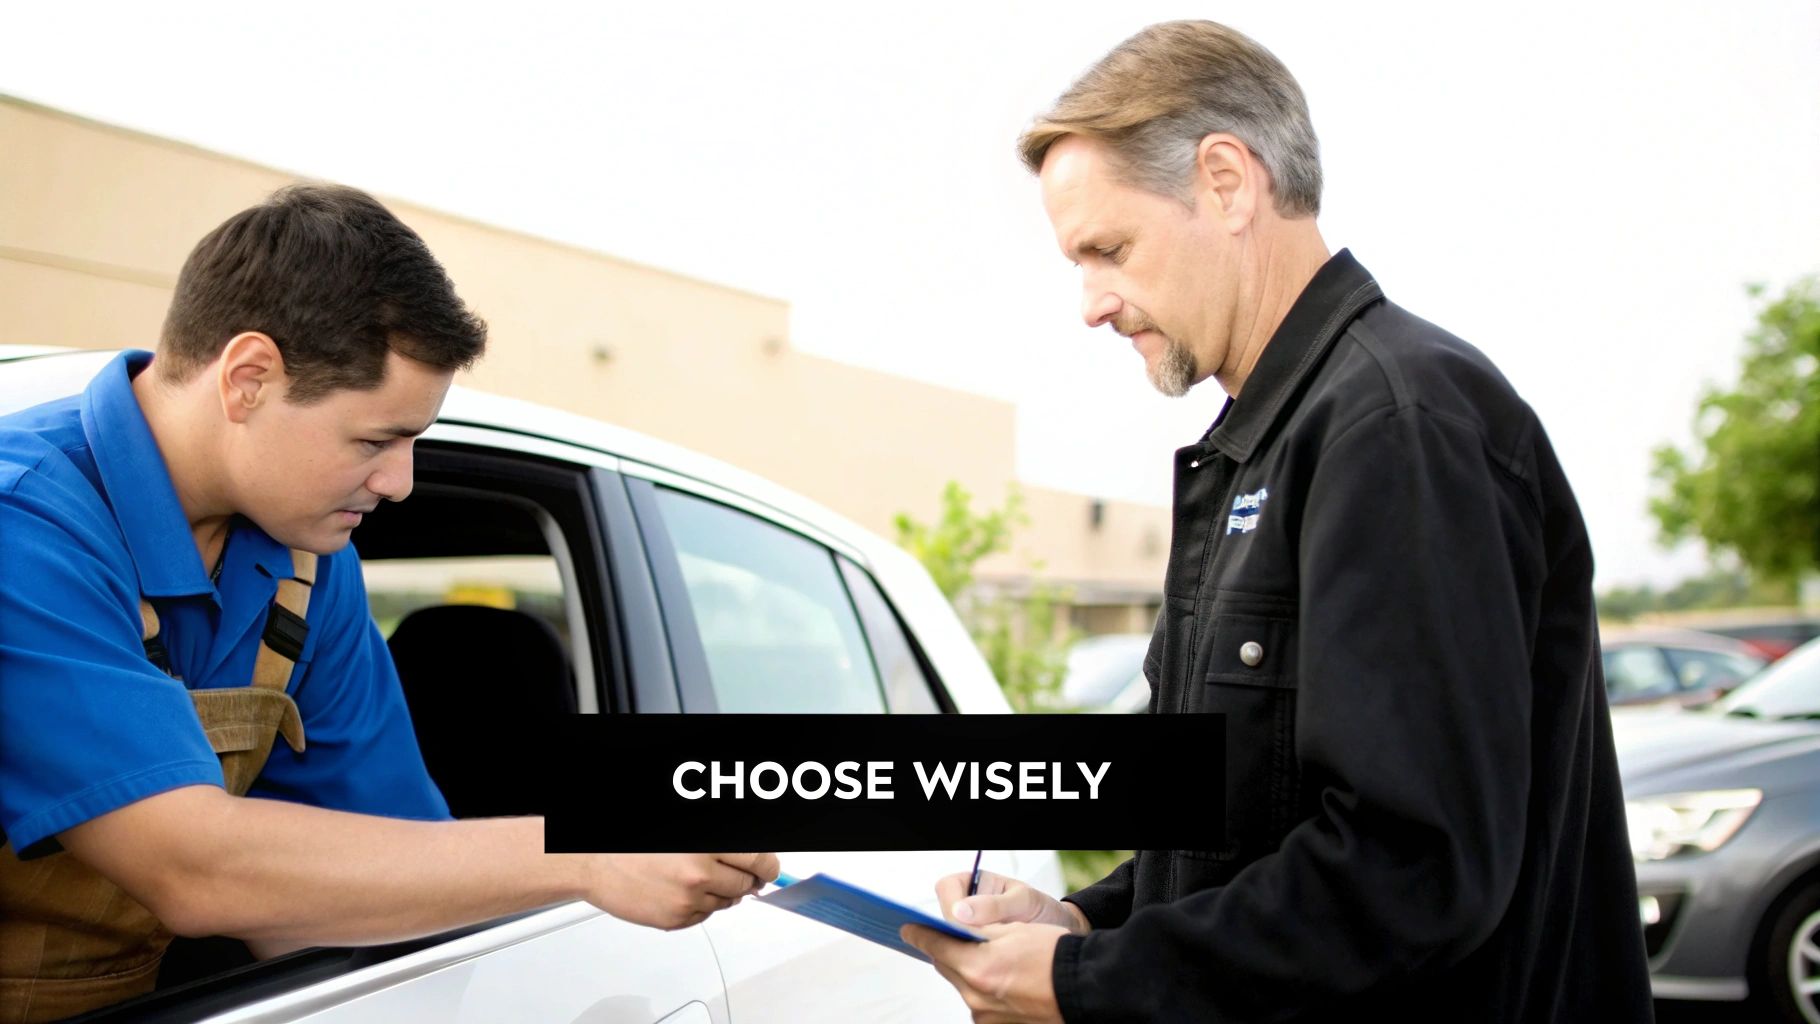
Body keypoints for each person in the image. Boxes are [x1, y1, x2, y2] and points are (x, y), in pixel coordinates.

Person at [901, 20, 1653, 1022]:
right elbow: (1245, 839)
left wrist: (1086, 984)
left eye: (1108, 249)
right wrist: (1081, 922)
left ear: (1224, 180)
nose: (1089, 303)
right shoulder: (1267, 444)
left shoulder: (1395, 425)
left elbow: (1409, 873)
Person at [0, 184, 776, 1023]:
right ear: (249, 379)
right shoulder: (24, 525)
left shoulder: (308, 563)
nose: (398, 482)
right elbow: (194, 869)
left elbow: (375, 890)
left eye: (412, 442)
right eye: (374, 440)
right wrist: (581, 850)